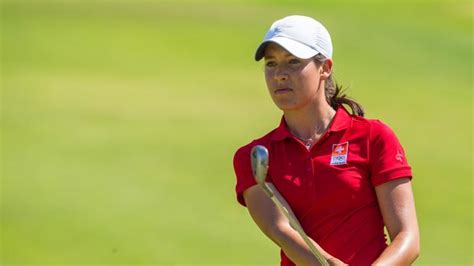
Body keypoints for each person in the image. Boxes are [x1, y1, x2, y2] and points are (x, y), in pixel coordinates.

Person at [232, 15, 419, 266]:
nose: (280, 75)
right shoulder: (254, 156)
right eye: (271, 64)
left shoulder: (373, 137)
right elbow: (280, 229)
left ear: (325, 67)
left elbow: (407, 238)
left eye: (293, 62)